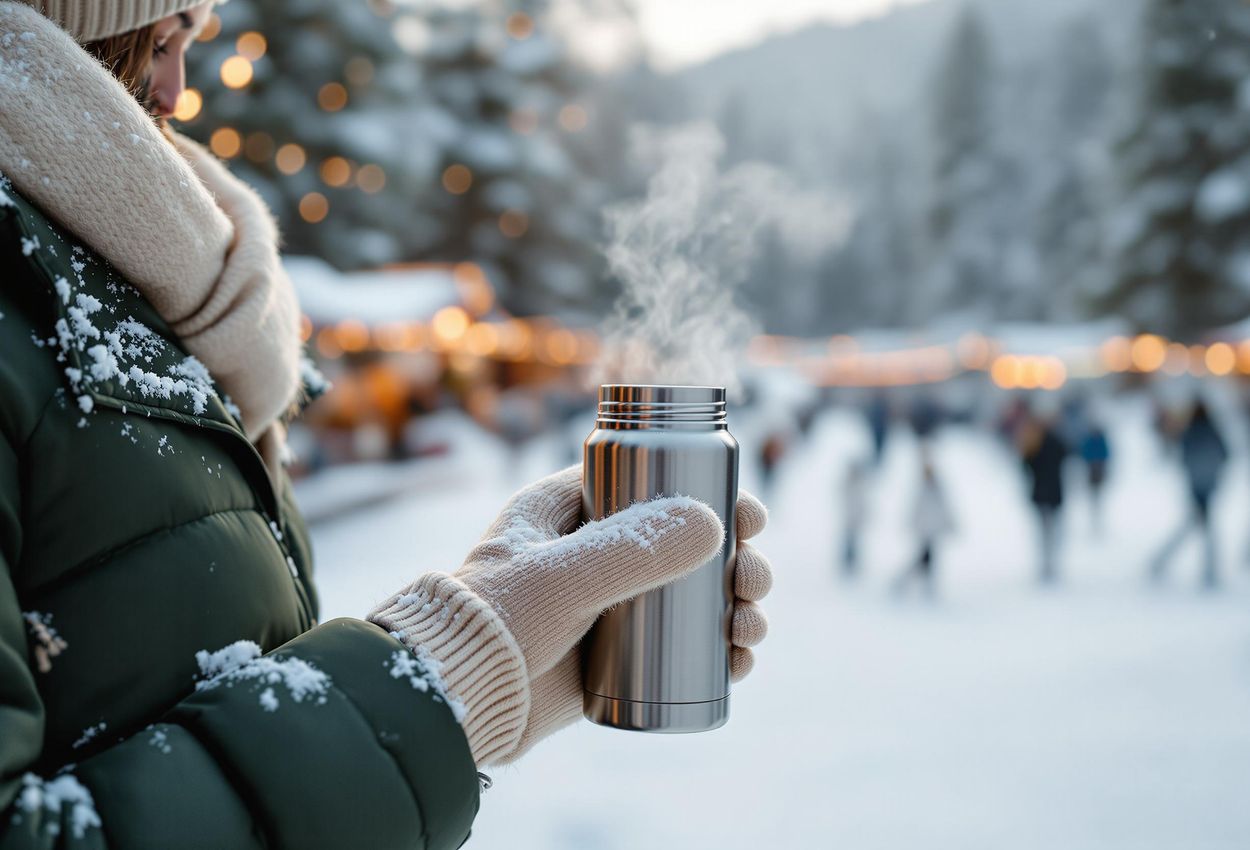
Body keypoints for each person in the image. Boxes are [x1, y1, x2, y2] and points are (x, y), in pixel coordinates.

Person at [0, 3, 775, 846]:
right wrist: (439, 678)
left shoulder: (174, 292)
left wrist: (497, 685)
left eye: (195, 42)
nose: (179, 92)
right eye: (160, 40)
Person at [1150, 400, 1228, 589]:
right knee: (1202, 528)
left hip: (1196, 486)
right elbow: (1225, 454)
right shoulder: (1213, 432)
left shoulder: (1191, 432)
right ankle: (1208, 570)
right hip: (1207, 486)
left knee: (1195, 526)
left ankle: (1162, 561)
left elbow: (1183, 458)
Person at [892, 456, 955, 598]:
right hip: (924, 531)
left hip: (932, 532)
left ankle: (921, 585)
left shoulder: (938, 489)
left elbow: (944, 509)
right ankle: (905, 582)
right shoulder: (922, 489)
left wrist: (950, 525)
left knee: (926, 560)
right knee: (922, 561)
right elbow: (916, 509)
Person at [1019, 412, 1067, 584]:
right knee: (1051, 531)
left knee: (1046, 531)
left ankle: (1048, 563)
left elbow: (1025, 467)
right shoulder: (1045, 442)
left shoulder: (1035, 444)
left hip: (1044, 494)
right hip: (1051, 494)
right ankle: (1048, 563)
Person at [839, 458, 870, 578]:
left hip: (856, 521)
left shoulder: (861, 485)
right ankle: (846, 562)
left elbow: (864, 504)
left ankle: (852, 562)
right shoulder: (847, 484)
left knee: (854, 543)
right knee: (848, 542)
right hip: (849, 520)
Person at [1079, 421, 1111, 536]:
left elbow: (1106, 454)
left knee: (1098, 495)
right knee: (1093, 495)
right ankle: (1094, 518)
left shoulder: (1100, 440)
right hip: (1092, 471)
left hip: (1098, 471)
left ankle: (1098, 518)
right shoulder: (1090, 440)